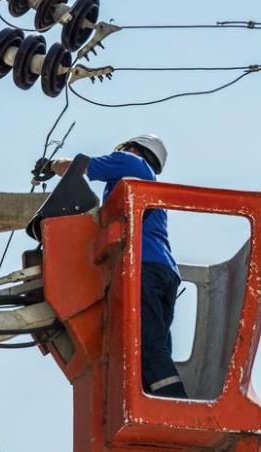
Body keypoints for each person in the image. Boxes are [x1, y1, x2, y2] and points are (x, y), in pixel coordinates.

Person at [42, 134, 187, 399]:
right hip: (163, 272)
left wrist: (50, 165)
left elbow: (80, 166)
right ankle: (162, 403)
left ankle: (177, 405)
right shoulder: (145, 183)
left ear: (133, 148)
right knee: (151, 350)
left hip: (142, 267)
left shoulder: (130, 162)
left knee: (147, 347)